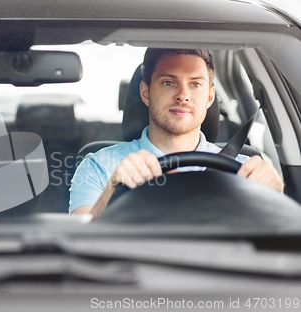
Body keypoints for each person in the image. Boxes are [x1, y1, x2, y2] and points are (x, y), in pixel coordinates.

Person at [69, 48, 284, 219]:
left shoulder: (246, 171)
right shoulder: (100, 166)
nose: (183, 95)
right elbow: (76, 244)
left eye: (195, 84)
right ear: (146, 93)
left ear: (210, 97)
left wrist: (275, 200)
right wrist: (112, 194)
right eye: (169, 82)